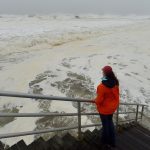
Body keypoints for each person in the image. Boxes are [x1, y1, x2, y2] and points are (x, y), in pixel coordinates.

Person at [92, 66, 119, 150]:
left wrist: (94, 100)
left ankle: (104, 142)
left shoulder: (102, 86)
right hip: (112, 108)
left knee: (105, 126)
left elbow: (99, 100)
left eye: (103, 71)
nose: (102, 73)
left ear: (105, 73)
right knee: (110, 123)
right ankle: (113, 142)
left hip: (104, 110)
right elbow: (116, 95)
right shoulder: (115, 82)